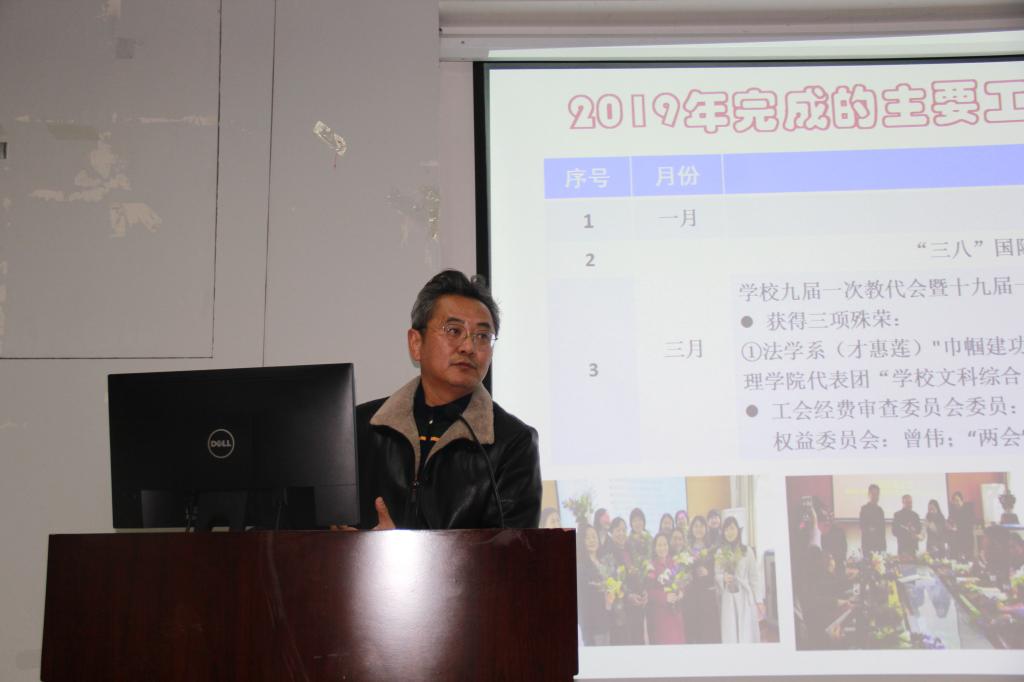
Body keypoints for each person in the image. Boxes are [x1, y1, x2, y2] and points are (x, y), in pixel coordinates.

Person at [355, 270, 541, 529]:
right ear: (416, 343)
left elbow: (512, 550)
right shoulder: (360, 427)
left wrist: (396, 548)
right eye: (454, 331)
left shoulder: (512, 442)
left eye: (482, 336)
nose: (468, 347)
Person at [715, 516, 764, 643]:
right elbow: (716, 575)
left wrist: (759, 600)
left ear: (738, 530)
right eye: (726, 529)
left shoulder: (747, 551)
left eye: (732, 528)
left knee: (746, 633)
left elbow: (754, 578)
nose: (729, 532)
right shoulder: (720, 552)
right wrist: (723, 578)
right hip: (728, 597)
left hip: (745, 597)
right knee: (731, 632)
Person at [682, 515, 721, 643]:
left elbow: (719, 571)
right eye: (696, 526)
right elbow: (682, 570)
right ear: (691, 528)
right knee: (694, 630)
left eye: (701, 526)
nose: (698, 529)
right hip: (691, 595)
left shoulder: (713, 548)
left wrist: (708, 572)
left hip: (707, 595)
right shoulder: (686, 549)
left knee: (708, 630)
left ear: (706, 528)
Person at [645, 532, 686, 644]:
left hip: (676, 612)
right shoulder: (651, 566)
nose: (662, 548)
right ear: (654, 547)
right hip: (661, 615)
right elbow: (649, 592)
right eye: (659, 545)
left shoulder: (675, 562)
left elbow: (682, 582)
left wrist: (681, 592)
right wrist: (665, 597)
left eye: (665, 544)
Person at [577, 524, 612, 646]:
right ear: (582, 541)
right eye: (587, 537)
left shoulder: (604, 562)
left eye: (594, 536)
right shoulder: (580, 566)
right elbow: (582, 602)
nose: (592, 540)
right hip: (593, 626)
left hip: (607, 619)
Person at [859, 484, 886, 555]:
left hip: (879, 546)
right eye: (873, 494)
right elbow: (862, 526)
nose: (875, 497)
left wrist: (884, 547)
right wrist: (870, 529)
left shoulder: (880, 510)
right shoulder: (864, 509)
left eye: (877, 494)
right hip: (868, 545)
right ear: (869, 495)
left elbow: (883, 530)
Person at [893, 494, 923, 558]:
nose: (910, 504)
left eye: (911, 502)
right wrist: (906, 529)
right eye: (907, 502)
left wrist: (914, 530)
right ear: (903, 503)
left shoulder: (915, 515)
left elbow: (919, 530)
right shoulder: (898, 515)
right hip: (903, 547)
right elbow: (894, 531)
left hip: (913, 548)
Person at [947, 491, 975, 560]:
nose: (955, 503)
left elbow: (969, 524)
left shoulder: (968, 509)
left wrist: (957, 528)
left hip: (966, 539)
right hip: (956, 540)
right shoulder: (953, 510)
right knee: (956, 559)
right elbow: (949, 520)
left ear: (962, 500)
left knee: (967, 559)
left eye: (957, 500)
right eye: (954, 501)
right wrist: (948, 525)